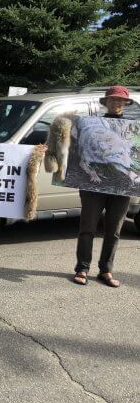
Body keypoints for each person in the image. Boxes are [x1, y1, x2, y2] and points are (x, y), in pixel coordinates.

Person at [73, 85, 134, 287]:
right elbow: (73, 145)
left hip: (122, 186)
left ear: (125, 104)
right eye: (113, 100)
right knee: (87, 228)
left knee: (114, 231)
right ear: (106, 102)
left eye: (120, 100)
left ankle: (105, 270)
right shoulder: (92, 124)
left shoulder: (133, 126)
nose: (116, 103)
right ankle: (82, 268)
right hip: (93, 185)